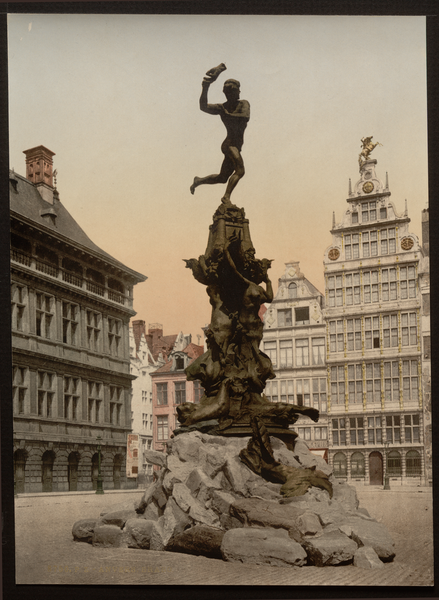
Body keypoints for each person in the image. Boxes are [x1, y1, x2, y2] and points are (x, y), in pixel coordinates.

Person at [190, 70, 250, 204]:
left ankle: (198, 181)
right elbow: (203, 107)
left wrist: (225, 113)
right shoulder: (222, 108)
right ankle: (226, 197)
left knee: (223, 178)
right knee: (240, 170)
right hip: (229, 145)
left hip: (236, 146)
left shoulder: (243, 104)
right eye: (236, 91)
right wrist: (205, 87)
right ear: (231, 92)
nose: (239, 93)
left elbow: (245, 117)